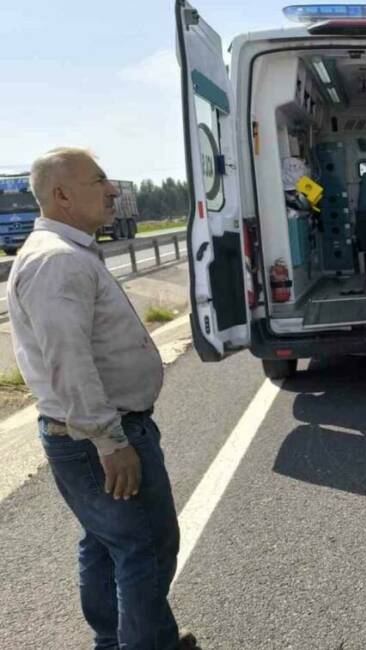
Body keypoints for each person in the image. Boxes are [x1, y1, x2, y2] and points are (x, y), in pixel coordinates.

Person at [7, 148, 197, 650]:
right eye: (99, 181)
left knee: (107, 543)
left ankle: (117, 640)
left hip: (92, 430)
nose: (113, 190)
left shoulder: (68, 253)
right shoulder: (57, 261)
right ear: (62, 195)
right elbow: (67, 362)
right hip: (99, 433)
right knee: (146, 548)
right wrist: (110, 441)